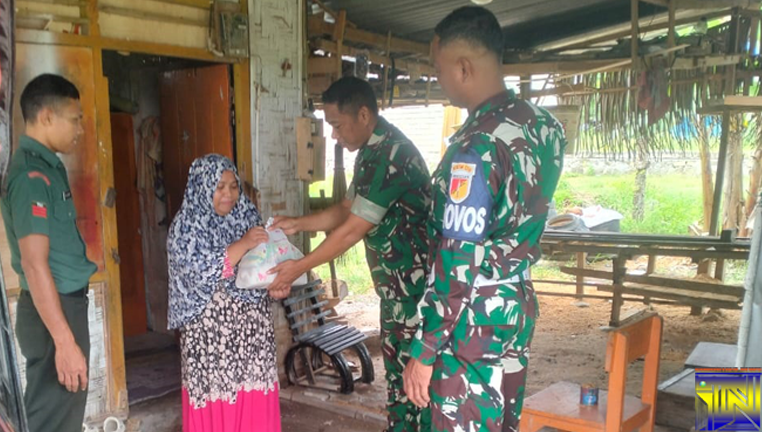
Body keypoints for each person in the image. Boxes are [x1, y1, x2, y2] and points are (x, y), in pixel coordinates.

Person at [402, 6, 567, 432]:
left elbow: (460, 259)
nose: (438, 78)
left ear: (463, 68)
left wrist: (425, 349)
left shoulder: (475, 148)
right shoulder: (545, 127)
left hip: (470, 319)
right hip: (516, 305)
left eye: (438, 68)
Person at [267, 77, 432, 432]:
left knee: (417, 386)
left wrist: (299, 267)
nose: (334, 136)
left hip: (416, 294)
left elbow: (353, 229)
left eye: (337, 125)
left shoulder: (392, 155)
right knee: (400, 380)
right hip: (397, 291)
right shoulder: (372, 153)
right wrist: (298, 224)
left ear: (363, 115)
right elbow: (346, 209)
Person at [0, 74, 95, 432]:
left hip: (61, 308)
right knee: (50, 420)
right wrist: (64, 341)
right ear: (46, 117)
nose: (80, 129)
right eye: (75, 119)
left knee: (62, 415)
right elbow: (33, 263)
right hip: (54, 313)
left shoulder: (47, 168)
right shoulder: (31, 177)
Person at [167, 154, 282, 432]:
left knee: (251, 397)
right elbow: (198, 272)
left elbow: (264, 263)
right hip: (211, 338)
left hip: (251, 335)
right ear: (202, 187)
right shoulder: (185, 228)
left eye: (233, 186)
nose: (228, 194)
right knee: (218, 397)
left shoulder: (247, 216)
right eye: (219, 187)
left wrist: (277, 281)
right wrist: (243, 243)